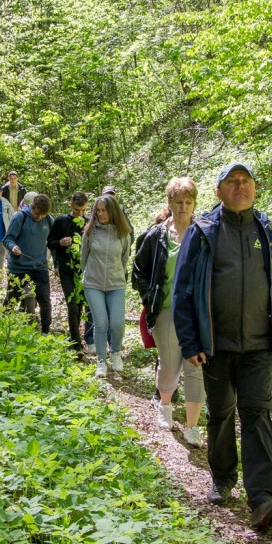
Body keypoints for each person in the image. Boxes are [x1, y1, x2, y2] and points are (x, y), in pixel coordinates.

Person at [173, 162, 272, 531]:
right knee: (222, 411)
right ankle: (223, 476)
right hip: (215, 345)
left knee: (257, 414)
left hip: (261, 346)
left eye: (246, 182)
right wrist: (190, 341)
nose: (240, 187)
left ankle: (262, 498)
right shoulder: (203, 232)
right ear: (219, 192)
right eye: (232, 182)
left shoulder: (271, 233)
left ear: (255, 190)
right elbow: (182, 292)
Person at [132, 177, 205, 446]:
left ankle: (193, 426)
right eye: (178, 202)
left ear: (194, 203)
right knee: (170, 363)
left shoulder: (204, 233)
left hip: (196, 312)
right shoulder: (156, 235)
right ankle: (165, 406)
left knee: (195, 365)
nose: (184, 207)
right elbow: (138, 270)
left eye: (188, 202)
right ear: (169, 203)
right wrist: (150, 296)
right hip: (164, 310)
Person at [81, 194, 132, 378]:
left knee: (117, 324)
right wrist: (87, 275)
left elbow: (124, 258)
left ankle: (115, 352)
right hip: (93, 283)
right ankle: (101, 361)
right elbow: (83, 257)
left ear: (113, 211)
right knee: (101, 322)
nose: (101, 214)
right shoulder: (90, 231)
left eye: (104, 210)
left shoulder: (123, 233)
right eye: (98, 210)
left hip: (116, 283)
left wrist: (116, 273)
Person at [3, 194, 53, 334]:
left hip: (39, 266)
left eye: (43, 215)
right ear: (32, 207)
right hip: (19, 266)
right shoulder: (20, 217)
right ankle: (4, 327)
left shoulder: (48, 220)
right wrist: (13, 247)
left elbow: (53, 242)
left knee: (44, 298)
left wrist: (57, 264)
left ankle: (45, 330)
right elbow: (7, 239)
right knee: (12, 299)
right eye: (37, 213)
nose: (39, 217)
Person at [48, 192, 88, 353]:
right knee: (71, 304)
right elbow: (50, 243)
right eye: (78, 210)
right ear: (71, 204)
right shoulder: (60, 221)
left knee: (79, 305)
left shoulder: (88, 222)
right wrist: (60, 242)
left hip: (83, 270)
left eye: (83, 210)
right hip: (66, 268)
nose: (80, 214)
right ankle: (76, 344)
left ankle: (74, 336)